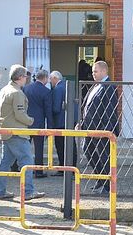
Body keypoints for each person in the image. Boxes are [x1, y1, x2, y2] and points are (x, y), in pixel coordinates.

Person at [0, 64, 45, 201]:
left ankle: (0, 191)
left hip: (6, 132)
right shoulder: (17, 93)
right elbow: (20, 114)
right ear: (20, 77)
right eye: (25, 76)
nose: (27, 78)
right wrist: (31, 121)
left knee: (5, 163)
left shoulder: (5, 90)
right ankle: (28, 191)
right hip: (17, 133)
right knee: (26, 161)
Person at [77, 60, 120, 194]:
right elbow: (88, 108)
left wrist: (106, 131)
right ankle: (101, 179)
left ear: (103, 71)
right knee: (88, 150)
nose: (93, 74)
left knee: (104, 156)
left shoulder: (109, 87)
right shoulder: (96, 86)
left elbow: (110, 111)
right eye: (92, 72)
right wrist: (82, 123)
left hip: (101, 130)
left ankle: (108, 186)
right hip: (90, 128)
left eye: (95, 71)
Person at [23, 69, 52, 178]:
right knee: (39, 148)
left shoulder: (26, 88)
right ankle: (38, 171)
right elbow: (48, 111)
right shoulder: (46, 91)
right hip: (39, 123)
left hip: (26, 122)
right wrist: (50, 127)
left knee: (23, 145)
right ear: (44, 78)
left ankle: (17, 167)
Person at [50, 70, 67, 172]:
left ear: (55, 78)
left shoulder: (57, 89)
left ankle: (62, 168)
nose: (50, 81)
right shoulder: (66, 86)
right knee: (69, 145)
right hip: (67, 121)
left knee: (60, 146)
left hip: (59, 122)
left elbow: (56, 108)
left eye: (51, 79)